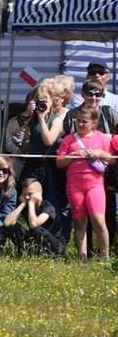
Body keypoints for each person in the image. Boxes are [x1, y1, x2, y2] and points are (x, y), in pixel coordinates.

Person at [59, 106, 111, 262]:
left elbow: (113, 159)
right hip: (74, 185)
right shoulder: (68, 139)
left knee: (99, 220)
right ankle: (82, 256)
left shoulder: (101, 138)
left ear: (94, 123)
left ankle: (105, 257)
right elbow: (59, 162)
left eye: (85, 122)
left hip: (95, 185)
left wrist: (100, 153)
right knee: (79, 220)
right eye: (78, 121)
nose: (80, 124)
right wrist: (72, 155)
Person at [18, 76, 68, 232]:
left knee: (50, 202)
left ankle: (51, 235)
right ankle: (33, 233)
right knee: (27, 198)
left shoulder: (57, 120)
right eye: (38, 99)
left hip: (49, 169)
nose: (41, 102)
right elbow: (12, 130)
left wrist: (41, 119)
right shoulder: (31, 118)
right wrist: (28, 113)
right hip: (32, 165)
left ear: (52, 100)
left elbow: (48, 140)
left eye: (44, 99)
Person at [1, 178, 65, 257]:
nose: (27, 197)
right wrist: (22, 204)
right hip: (36, 241)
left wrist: (31, 203)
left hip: (55, 246)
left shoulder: (48, 207)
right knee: (12, 227)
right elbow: (7, 222)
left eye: (30, 194)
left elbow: (34, 224)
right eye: (24, 194)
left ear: (39, 194)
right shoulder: (25, 204)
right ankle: (26, 251)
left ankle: (48, 256)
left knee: (36, 230)